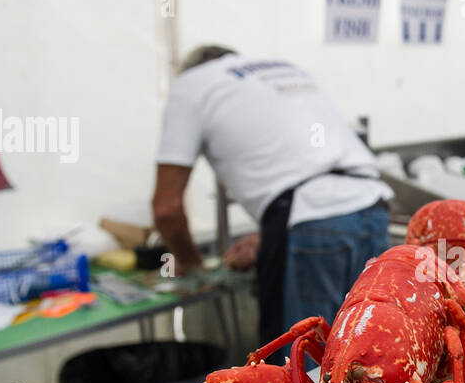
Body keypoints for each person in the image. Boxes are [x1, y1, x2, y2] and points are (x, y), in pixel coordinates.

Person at [151, 46, 393, 355]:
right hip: (371, 205)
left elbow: (166, 209)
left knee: (303, 370)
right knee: (366, 353)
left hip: (313, 222)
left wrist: (190, 265)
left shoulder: (190, 84)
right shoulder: (282, 67)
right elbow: (307, 162)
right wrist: (270, 238)